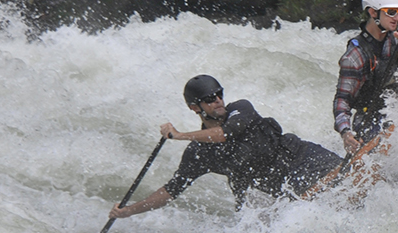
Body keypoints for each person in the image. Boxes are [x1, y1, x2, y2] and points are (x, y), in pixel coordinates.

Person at [107, 75, 344, 219]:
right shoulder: (199, 153)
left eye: (218, 94)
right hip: (282, 187)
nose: (218, 100)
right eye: (209, 99)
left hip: (305, 160)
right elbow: (171, 191)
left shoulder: (242, 109)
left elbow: (225, 134)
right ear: (195, 108)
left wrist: (179, 135)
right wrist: (129, 210)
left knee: (344, 191)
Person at [333, 0, 398, 154]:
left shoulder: (396, 37)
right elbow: (342, 100)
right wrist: (345, 133)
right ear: (373, 12)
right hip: (371, 121)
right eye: (391, 12)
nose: (397, 17)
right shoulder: (355, 56)